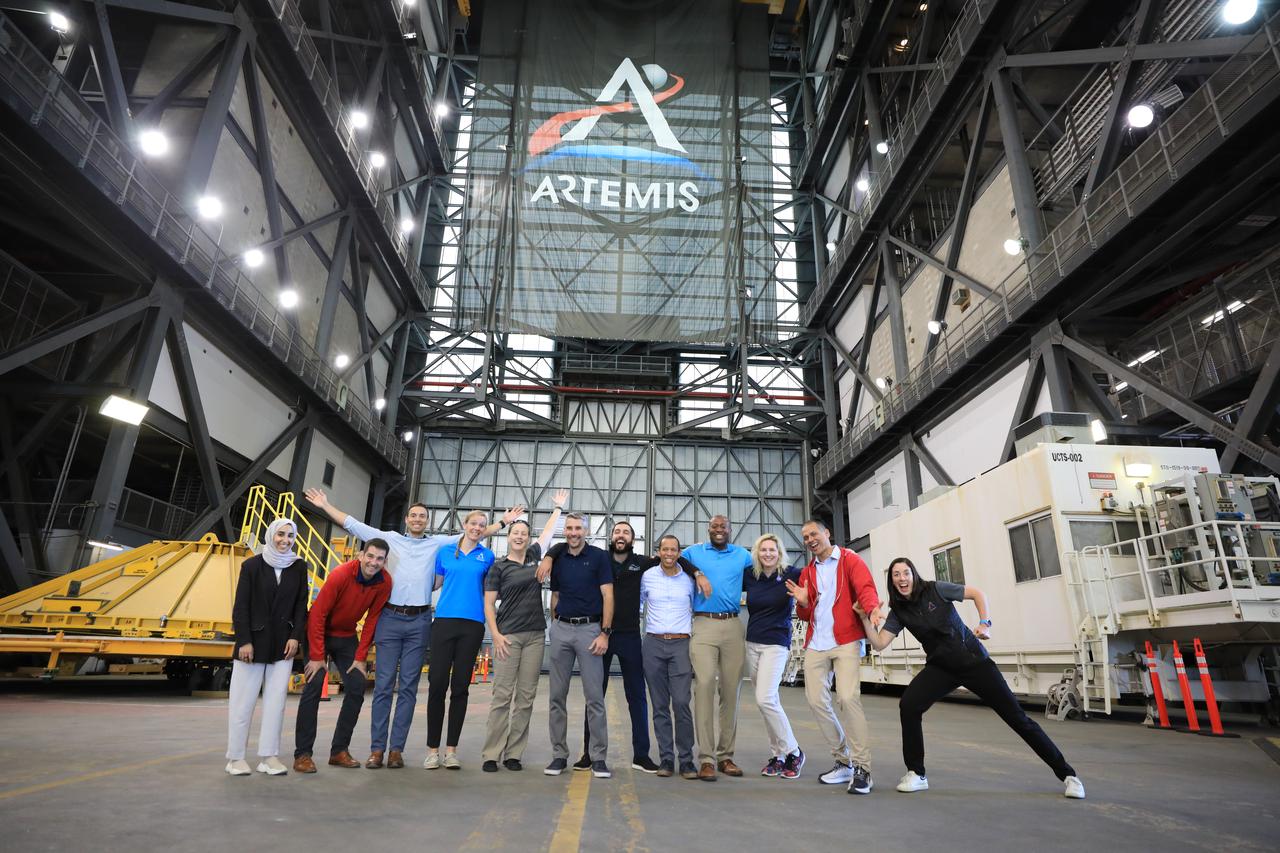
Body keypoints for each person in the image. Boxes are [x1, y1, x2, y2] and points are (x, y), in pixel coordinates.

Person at [304, 488, 522, 768]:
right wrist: (325, 505)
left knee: (408, 688)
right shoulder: (390, 540)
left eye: (423, 516)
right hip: (390, 619)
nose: (418, 519)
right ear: (406, 519)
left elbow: (476, 532)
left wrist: (503, 523)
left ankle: (396, 750)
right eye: (414, 515)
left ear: (427, 522)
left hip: (420, 621)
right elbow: (353, 524)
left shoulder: (438, 544)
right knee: (383, 687)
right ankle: (377, 749)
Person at [857, 557, 1086, 800]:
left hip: (974, 661)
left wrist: (985, 623)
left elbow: (977, 594)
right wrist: (863, 618)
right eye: (896, 575)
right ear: (891, 581)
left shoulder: (936, 589)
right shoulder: (899, 611)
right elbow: (880, 643)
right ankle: (916, 773)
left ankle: (1068, 776)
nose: (902, 578)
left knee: (1018, 719)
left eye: (906, 572)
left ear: (913, 574)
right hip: (941, 667)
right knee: (909, 706)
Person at [785, 518, 879, 794]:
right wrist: (803, 602)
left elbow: (866, 589)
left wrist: (873, 609)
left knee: (848, 698)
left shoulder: (849, 560)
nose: (810, 539)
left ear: (827, 533)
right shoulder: (808, 573)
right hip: (816, 642)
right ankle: (842, 761)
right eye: (805, 537)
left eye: (814, 533)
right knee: (815, 700)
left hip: (846, 639)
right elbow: (805, 614)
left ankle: (863, 768)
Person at [559, 521, 659, 774]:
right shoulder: (598, 558)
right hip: (598, 634)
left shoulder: (641, 562)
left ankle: (641, 754)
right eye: (617, 532)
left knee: (636, 696)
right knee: (595, 696)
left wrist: (697, 573)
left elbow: (670, 558)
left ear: (633, 539)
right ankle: (588, 754)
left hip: (630, 636)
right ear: (611, 537)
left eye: (626, 532)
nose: (621, 535)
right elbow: (564, 546)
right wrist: (548, 557)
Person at [480, 489, 568, 773]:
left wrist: (557, 509)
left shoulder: (534, 556)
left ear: (528, 538)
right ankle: (491, 754)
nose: (519, 536)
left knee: (526, 697)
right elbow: (489, 604)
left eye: (523, 533)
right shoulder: (498, 567)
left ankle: (514, 753)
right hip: (507, 636)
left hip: (535, 636)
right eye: (515, 532)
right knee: (502, 696)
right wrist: (494, 633)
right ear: (508, 537)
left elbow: (549, 535)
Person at [293, 538, 393, 773]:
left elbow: (372, 621)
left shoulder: (385, 582)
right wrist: (317, 657)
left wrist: (360, 657)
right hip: (319, 632)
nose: (373, 562)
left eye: (379, 559)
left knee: (357, 685)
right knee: (314, 683)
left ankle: (339, 750)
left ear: (385, 561)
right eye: (370, 556)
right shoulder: (341, 574)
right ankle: (303, 755)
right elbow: (318, 614)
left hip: (346, 636)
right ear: (361, 556)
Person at [226, 518, 308, 776]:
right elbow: (241, 607)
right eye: (280, 534)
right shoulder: (252, 565)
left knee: (276, 703)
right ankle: (235, 758)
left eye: (290, 536)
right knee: (243, 702)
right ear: (270, 535)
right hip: (252, 645)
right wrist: (244, 641)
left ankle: (268, 757)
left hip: (283, 646)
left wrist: (296, 637)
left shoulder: (298, 567)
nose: (285, 540)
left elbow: (300, 606)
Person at [538, 512, 614, 779]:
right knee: (556, 697)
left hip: (590, 631)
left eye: (577, 529)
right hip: (561, 630)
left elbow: (608, 595)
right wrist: (555, 625)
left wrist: (604, 633)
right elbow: (555, 595)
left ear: (586, 531)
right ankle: (559, 754)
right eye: (569, 528)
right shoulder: (557, 558)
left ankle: (598, 757)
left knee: (595, 698)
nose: (573, 533)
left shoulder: (599, 557)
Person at [422, 511, 497, 770]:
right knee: (437, 685)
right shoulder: (445, 552)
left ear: (485, 530)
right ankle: (433, 750)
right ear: (464, 526)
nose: (477, 528)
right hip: (443, 623)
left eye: (482, 525)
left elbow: (490, 591)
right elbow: (435, 584)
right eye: (473, 523)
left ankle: (451, 751)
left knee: (461, 687)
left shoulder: (487, 557)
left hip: (473, 625)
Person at [681, 515, 749, 781]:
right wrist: (697, 573)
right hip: (703, 623)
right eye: (714, 526)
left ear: (730, 530)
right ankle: (706, 759)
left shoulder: (742, 555)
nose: (719, 530)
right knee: (705, 685)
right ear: (708, 529)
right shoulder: (693, 552)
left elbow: (768, 565)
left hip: (733, 624)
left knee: (731, 691)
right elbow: (675, 559)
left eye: (723, 527)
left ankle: (726, 756)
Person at [639, 534, 702, 780]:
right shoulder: (647, 577)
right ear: (659, 551)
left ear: (679, 553)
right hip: (653, 643)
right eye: (664, 549)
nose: (668, 553)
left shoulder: (688, 580)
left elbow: (697, 607)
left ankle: (686, 760)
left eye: (673, 550)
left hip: (680, 644)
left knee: (681, 703)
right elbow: (639, 604)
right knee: (660, 705)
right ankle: (666, 757)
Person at [743, 533, 804, 780]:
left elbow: (818, 579)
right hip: (752, 642)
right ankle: (778, 756)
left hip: (776, 643)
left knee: (765, 698)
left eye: (772, 550)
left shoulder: (792, 574)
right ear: (757, 552)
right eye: (763, 550)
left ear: (780, 552)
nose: (768, 554)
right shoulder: (751, 575)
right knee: (767, 702)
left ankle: (794, 751)